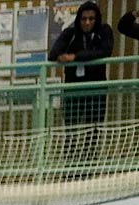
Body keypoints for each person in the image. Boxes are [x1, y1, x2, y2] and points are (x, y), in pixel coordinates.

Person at [48, 2, 115, 140]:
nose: (87, 23)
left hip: (96, 89)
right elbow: (53, 54)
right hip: (73, 90)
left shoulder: (104, 31)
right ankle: (70, 159)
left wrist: (75, 57)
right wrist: (64, 55)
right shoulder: (70, 33)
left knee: (93, 130)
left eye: (91, 19)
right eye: (83, 19)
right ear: (78, 19)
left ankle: (91, 158)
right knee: (71, 131)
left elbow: (105, 51)